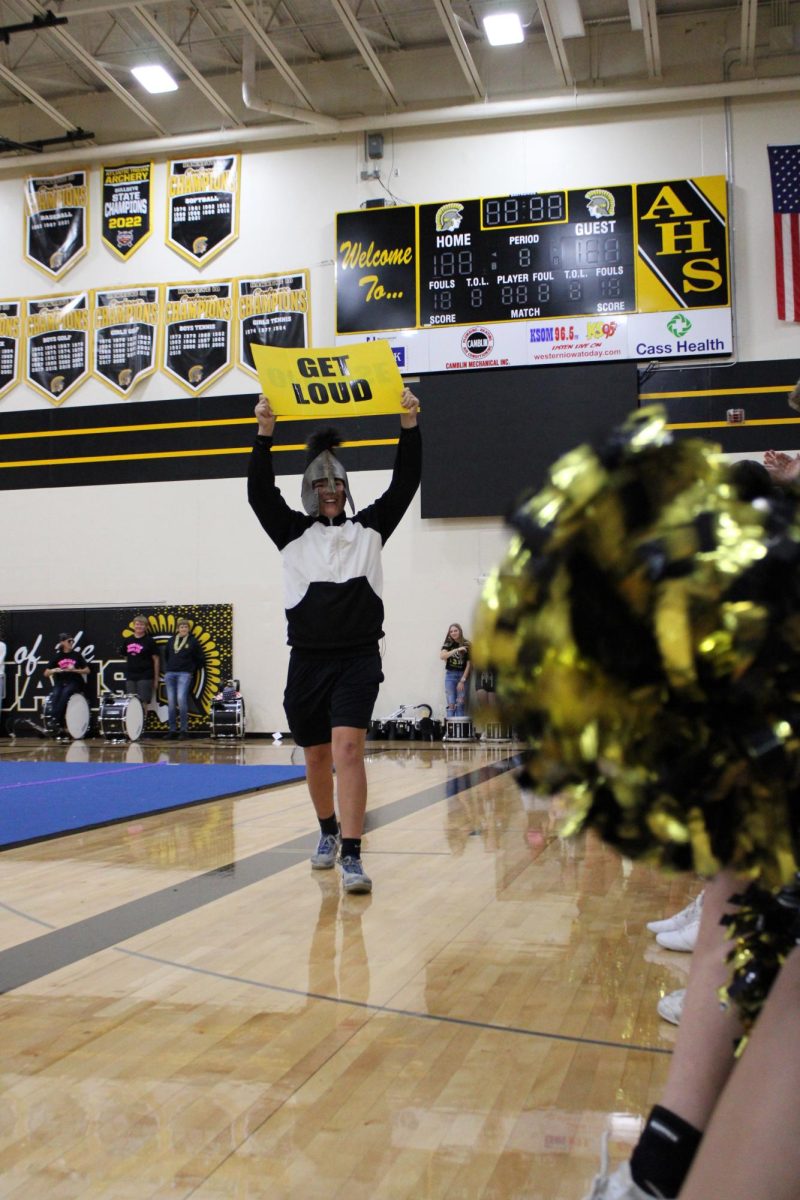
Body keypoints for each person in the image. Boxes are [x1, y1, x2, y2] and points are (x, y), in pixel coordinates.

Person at [248, 387, 421, 895]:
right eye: (320, 482)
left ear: (345, 489)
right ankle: (326, 830)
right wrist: (264, 433)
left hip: (358, 659)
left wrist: (409, 425)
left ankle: (352, 853)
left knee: (349, 750)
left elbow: (406, 481)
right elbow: (259, 494)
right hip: (306, 661)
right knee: (317, 755)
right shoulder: (291, 533)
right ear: (310, 490)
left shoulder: (371, 530)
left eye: (336, 483)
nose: (329, 489)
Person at [163, 617, 203, 739]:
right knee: (170, 702)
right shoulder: (171, 640)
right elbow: (166, 655)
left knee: (181, 699)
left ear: (188, 629)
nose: (183, 629)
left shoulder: (193, 641)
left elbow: (200, 658)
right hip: (170, 673)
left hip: (185, 674)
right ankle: (172, 730)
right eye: (181, 627)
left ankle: (184, 730)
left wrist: (191, 669)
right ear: (178, 629)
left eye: (185, 627)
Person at [43, 632, 89, 737]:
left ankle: (54, 719)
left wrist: (75, 670)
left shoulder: (76, 655)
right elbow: (46, 673)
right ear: (62, 642)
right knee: (56, 694)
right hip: (60, 681)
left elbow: (87, 670)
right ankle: (56, 721)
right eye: (69, 641)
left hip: (74, 681)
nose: (71, 643)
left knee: (66, 692)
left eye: (72, 641)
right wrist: (55, 670)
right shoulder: (57, 656)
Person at [119, 614, 160, 707]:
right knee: (131, 702)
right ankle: (134, 721)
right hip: (131, 675)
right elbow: (125, 656)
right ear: (134, 625)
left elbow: (156, 659)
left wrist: (156, 678)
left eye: (142, 625)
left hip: (145, 675)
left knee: (143, 701)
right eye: (137, 624)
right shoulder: (128, 640)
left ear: (146, 627)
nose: (139, 626)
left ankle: (143, 721)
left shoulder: (150, 641)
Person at [440, 623, 471, 718]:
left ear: (460, 631)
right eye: (451, 631)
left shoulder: (467, 644)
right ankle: (450, 731)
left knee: (460, 704)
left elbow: (469, 665)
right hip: (450, 676)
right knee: (451, 704)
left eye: (455, 630)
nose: (453, 633)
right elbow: (442, 656)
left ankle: (459, 732)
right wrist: (457, 649)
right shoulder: (448, 644)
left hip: (462, 676)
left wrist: (463, 680)